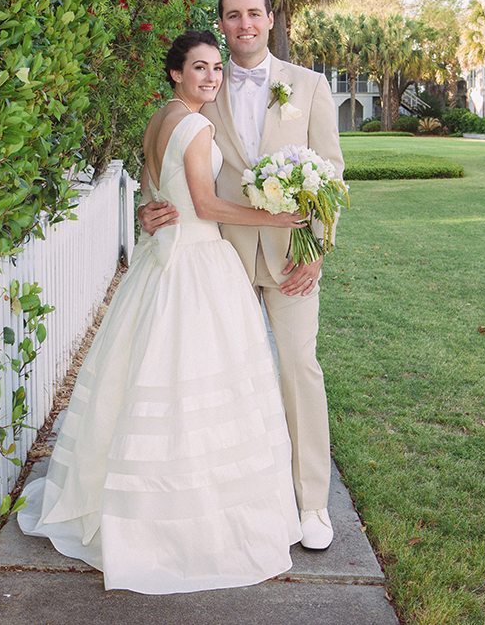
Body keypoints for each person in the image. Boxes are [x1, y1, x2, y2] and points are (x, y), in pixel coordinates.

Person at [17, 30, 305, 594]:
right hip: (195, 263)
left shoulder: (160, 119)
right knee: (194, 383)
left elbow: (155, 197)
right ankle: (183, 523)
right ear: (176, 73)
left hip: (160, 263)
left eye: (217, 68)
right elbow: (203, 205)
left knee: (150, 378)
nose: (212, 77)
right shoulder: (196, 124)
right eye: (200, 68)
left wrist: (149, 215)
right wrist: (276, 217)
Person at [140, 0, 344, 550]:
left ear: (270, 19)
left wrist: (318, 252)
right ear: (222, 23)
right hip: (219, 255)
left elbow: (331, 171)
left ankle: (310, 504)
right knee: (220, 378)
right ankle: (233, 496)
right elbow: (167, 161)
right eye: (233, 15)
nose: (245, 24)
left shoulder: (310, 85)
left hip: (291, 259)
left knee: (299, 369)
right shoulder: (205, 88)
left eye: (254, 13)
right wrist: (149, 203)